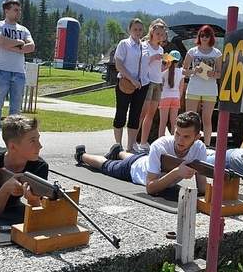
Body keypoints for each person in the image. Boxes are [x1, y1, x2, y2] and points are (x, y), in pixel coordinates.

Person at [75, 111, 207, 196]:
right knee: (106, 165)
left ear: (197, 137)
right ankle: (81, 155)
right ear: (174, 129)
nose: (180, 140)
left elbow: (202, 188)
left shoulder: (199, 148)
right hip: (134, 168)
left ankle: (118, 152)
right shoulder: (160, 145)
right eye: (177, 134)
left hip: (145, 159)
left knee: (138, 157)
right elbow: (150, 188)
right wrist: (177, 172)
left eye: (186, 137)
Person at [0, 0, 35, 146]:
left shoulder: (24, 30)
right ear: (6, 11)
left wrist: (12, 46)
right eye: (15, 10)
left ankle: (12, 136)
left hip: (19, 73)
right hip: (1, 71)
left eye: (19, 10)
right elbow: (1, 41)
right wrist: (20, 44)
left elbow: (31, 47)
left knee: (15, 108)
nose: (18, 13)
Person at [113, 18, 149, 153]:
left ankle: (130, 146)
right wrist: (132, 79)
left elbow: (147, 64)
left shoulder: (144, 45)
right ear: (129, 30)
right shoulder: (124, 44)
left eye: (140, 29)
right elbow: (119, 65)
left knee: (135, 115)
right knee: (121, 113)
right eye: (135, 29)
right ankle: (118, 145)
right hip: (125, 82)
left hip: (142, 84)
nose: (138, 32)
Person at [183, 25, 222, 147]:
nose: (204, 38)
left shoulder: (217, 53)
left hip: (210, 89)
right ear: (199, 37)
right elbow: (184, 70)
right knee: (189, 118)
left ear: (211, 37)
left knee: (206, 119)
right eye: (202, 35)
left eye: (207, 35)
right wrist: (194, 71)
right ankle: (189, 143)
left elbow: (220, 74)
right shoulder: (192, 51)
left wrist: (213, 73)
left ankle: (207, 145)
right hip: (194, 87)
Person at [134, 19, 167, 153]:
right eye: (158, 33)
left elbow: (158, 69)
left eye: (162, 34)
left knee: (151, 114)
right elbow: (140, 63)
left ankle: (143, 142)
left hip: (158, 82)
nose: (160, 36)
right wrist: (154, 58)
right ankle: (133, 141)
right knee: (142, 113)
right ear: (152, 31)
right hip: (147, 81)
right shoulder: (144, 45)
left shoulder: (161, 48)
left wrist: (165, 66)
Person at [158, 50, 184, 137]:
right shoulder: (181, 72)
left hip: (165, 96)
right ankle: (173, 139)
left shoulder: (164, 72)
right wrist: (179, 98)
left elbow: (161, 85)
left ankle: (161, 138)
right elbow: (181, 88)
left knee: (163, 121)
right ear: (179, 60)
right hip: (176, 97)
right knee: (174, 122)